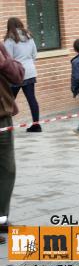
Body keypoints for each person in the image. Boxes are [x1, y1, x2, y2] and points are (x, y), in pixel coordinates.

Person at [0, 39, 24, 244]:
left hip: (2, 117)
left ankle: (1, 219)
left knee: (7, 169)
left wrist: (4, 62)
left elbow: (17, 76)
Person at [4, 17, 41, 132]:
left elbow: (8, 59)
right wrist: (27, 62)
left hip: (16, 73)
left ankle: (5, 126)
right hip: (30, 71)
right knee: (31, 99)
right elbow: (34, 54)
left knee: (8, 100)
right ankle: (36, 125)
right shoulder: (29, 37)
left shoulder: (10, 40)